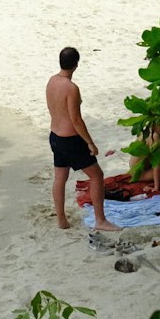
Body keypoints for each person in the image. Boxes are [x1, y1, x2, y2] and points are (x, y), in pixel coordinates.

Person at [46, 46, 119, 231]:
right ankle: (100, 220)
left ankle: (61, 220)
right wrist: (90, 142)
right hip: (71, 140)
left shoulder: (52, 81)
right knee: (97, 176)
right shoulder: (71, 88)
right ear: (76, 65)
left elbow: (52, 108)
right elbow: (76, 119)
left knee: (59, 177)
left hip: (55, 136)